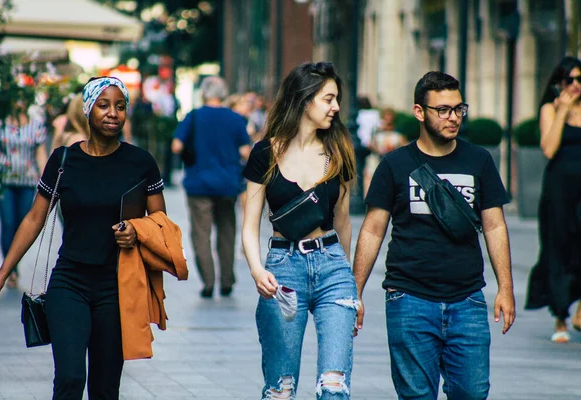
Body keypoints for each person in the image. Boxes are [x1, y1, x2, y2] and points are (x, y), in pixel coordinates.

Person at [0, 76, 166, 400]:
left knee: (104, 388)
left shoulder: (141, 163)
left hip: (117, 286)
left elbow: (160, 224)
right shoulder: (63, 160)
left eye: (120, 106)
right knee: (70, 379)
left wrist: (137, 232)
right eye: (103, 105)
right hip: (69, 282)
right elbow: (34, 218)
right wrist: (3, 274)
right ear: (87, 110)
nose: (112, 113)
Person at [353, 71, 515, 400]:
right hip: (409, 298)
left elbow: (495, 224)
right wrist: (353, 292)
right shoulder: (395, 164)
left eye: (458, 108)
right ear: (419, 112)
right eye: (442, 109)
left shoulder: (479, 160)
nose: (452, 117)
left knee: (472, 392)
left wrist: (506, 288)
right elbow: (372, 229)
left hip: (467, 298)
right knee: (416, 395)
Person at [242, 61, 357, 399]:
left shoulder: (339, 152)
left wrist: (349, 279)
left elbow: (344, 220)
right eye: (328, 99)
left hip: (332, 268)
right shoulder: (265, 153)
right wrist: (256, 270)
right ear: (305, 100)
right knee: (281, 390)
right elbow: (249, 225)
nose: (336, 107)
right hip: (283, 270)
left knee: (334, 387)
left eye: (336, 99)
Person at [171, 76, 251, 298]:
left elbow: (176, 145)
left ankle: (208, 281)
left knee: (201, 233)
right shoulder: (235, 119)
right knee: (227, 231)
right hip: (228, 184)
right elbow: (246, 152)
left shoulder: (194, 117)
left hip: (199, 184)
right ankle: (227, 280)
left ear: (204, 93)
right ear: (223, 93)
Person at [526, 56, 581, 343]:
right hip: (559, 190)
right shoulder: (550, 108)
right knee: (558, 246)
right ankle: (560, 315)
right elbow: (548, 148)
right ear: (558, 83)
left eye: (579, 80)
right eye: (569, 80)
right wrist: (563, 111)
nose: (575, 86)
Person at [0, 97, 48, 289]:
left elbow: (40, 153)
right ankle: (10, 270)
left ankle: (13, 264)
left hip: (27, 182)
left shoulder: (36, 125)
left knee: (21, 224)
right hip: (4, 182)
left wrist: (46, 178)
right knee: (7, 223)